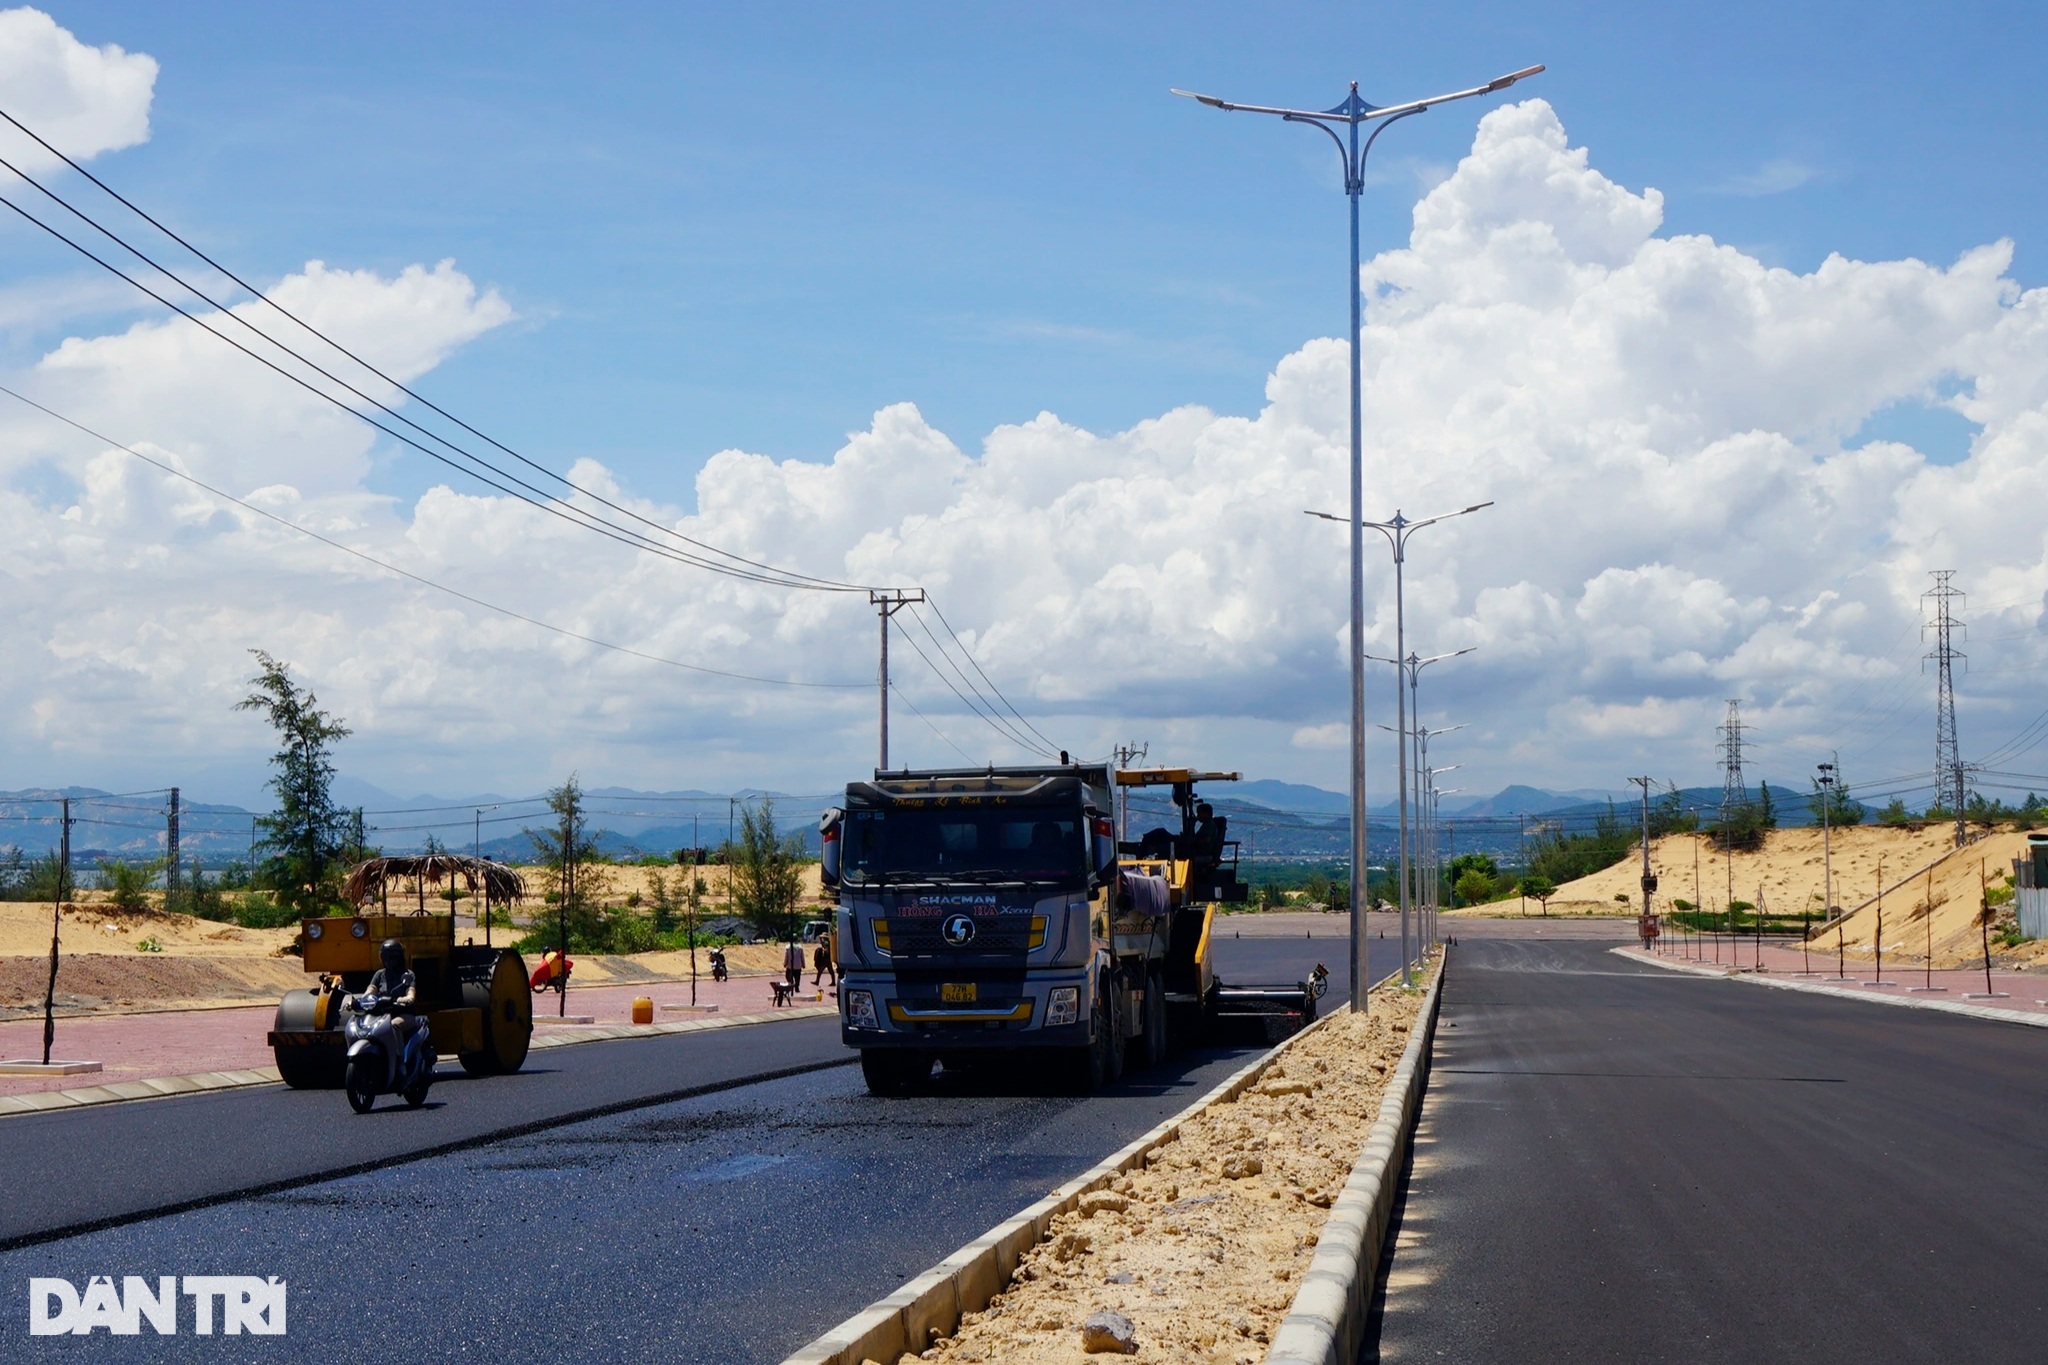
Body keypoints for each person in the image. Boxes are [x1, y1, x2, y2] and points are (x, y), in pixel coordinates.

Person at [366, 938, 422, 1055]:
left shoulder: (408, 974)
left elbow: (411, 994)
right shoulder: (380, 974)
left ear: (399, 958)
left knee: (394, 1025)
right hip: (382, 1016)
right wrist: (362, 999)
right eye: (385, 957)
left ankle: (399, 1059)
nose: (388, 960)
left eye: (392, 957)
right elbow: (371, 990)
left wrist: (405, 999)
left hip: (404, 1014)